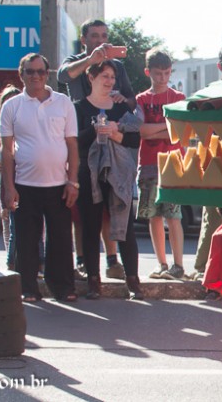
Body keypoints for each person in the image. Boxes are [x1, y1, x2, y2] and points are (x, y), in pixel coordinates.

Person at [0, 53, 80, 302]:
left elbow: (72, 145)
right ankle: (28, 288)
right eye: (30, 71)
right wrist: (9, 187)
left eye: (41, 71)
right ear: (21, 74)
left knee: (61, 239)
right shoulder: (11, 106)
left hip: (59, 185)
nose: (36, 76)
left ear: (47, 74)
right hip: (25, 185)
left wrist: (73, 181)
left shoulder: (63, 103)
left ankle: (63, 287)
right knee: (26, 240)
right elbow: (6, 151)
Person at [59, 19, 133, 281]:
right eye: (94, 36)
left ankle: (112, 260)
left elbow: (130, 99)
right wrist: (90, 60)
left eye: (104, 35)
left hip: (110, 140)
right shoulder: (76, 60)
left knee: (109, 206)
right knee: (82, 210)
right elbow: (63, 76)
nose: (100, 40)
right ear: (84, 40)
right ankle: (83, 263)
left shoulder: (117, 66)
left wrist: (122, 99)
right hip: (81, 137)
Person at [75, 61, 143, 300]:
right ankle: (93, 282)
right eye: (105, 76)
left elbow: (134, 140)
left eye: (113, 77)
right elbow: (74, 142)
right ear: (91, 77)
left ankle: (133, 281)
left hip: (118, 173)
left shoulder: (119, 107)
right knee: (90, 227)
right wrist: (94, 131)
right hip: (89, 174)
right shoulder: (79, 108)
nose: (110, 81)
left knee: (125, 228)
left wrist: (115, 134)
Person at [190, 45, 222, 298]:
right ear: (220, 66)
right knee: (212, 220)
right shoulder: (211, 91)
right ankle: (204, 272)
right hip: (213, 162)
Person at [136, 48, 187, 280]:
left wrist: (154, 130)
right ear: (148, 72)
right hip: (148, 163)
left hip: (173, 164)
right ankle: (161, 264)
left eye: (166, 73)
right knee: (153, 216)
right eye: (158, 73)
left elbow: (181, 132)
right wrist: (167, 128)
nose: (163, 78)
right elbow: (141, 131)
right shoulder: (141, 99)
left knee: (174, 216)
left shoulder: (178, 98)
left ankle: (178, 265)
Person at [0, 86, 23, 270]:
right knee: (7, 220)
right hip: (3, 182)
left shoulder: (26, 125)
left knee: (28, 222)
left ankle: (32, 260)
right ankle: (10, 259)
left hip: (24, 179)